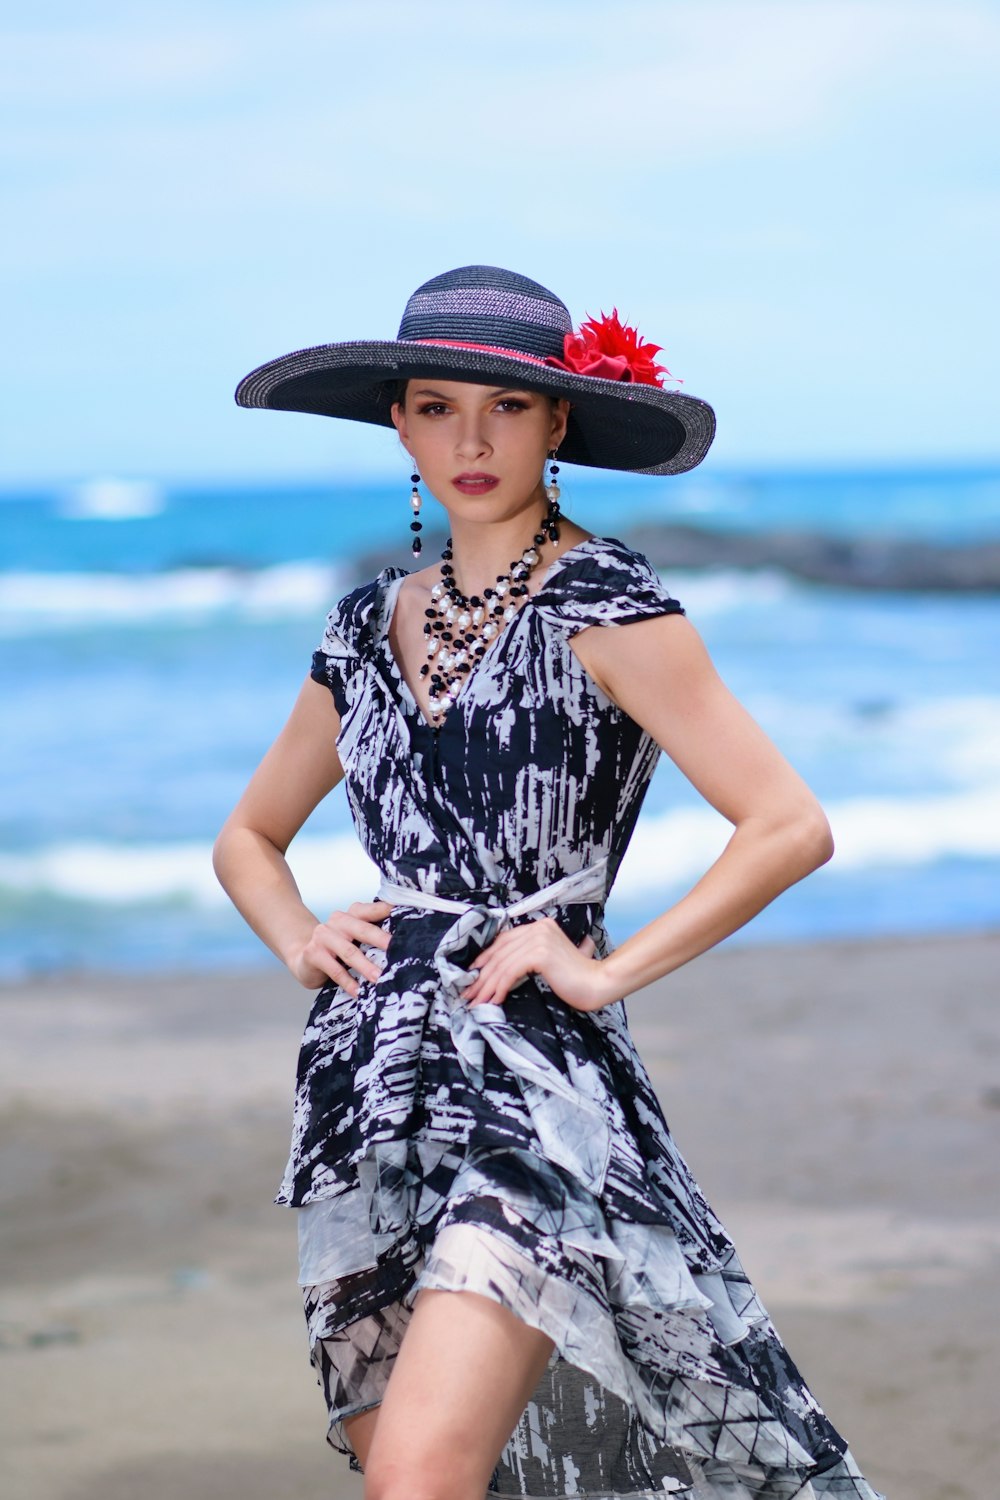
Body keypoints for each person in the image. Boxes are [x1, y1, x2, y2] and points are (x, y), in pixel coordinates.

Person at [214, 266, 885, 1500]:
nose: (469, 440)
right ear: (398, 421)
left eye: (505, 408)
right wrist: (303, 938)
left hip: (534, 1080)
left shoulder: (604, 603)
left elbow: (786, 824)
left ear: (557, 422)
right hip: (369, 1087)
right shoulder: (360, 628)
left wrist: (603, 966)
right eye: (434, 405)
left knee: (417, 1477)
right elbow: (248, 838)